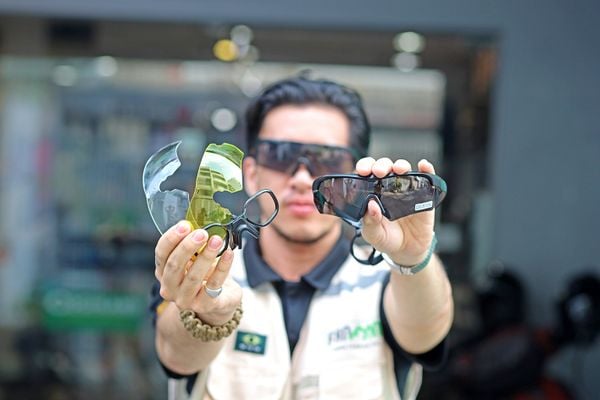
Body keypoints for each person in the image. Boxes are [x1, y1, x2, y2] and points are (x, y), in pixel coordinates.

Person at [151, 76, 454, 400]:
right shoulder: (202, 267)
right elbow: (175, 354)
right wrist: (208, 313)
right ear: (250, 173)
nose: (301, 178)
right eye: (280, 154)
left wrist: (412, 258)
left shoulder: (387, 277)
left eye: (327, 159)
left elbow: (426, 333)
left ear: (354, 176)